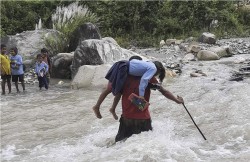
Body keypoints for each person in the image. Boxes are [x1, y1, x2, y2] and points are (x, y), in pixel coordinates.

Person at [93, 56, 165, 120]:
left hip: (131, 103)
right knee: (110, 89)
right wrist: (141, 95)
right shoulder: (152, 68)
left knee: (119, 92)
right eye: (157, 74)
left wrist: (154, 86)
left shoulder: (144, 69)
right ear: (158, 69)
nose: (155, 75)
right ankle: (97, 106)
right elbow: (144, 80)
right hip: (121, 69)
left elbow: (153, 84)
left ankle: (112, 109)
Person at [115, 75, 184, 142]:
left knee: (120, 144)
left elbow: (116, 93)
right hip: (142, 119)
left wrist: (113, 108)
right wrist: (177, 100)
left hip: (126, 119)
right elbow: (164, 91)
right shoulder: (149, 78)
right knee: (144, 145)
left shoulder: (125, 76)